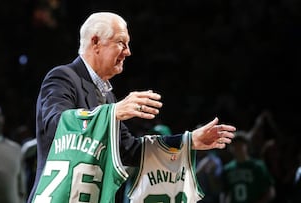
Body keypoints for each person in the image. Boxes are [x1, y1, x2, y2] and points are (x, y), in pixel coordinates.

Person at [28, 11, 236, 203]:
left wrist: (188, 141)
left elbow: (130, 150)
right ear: (95, 42)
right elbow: (55, 122)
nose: (128, 52)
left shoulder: (107, 96)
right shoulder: (62, 77)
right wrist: (113, 112)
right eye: (121, 42)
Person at [220, 131, 275, 203]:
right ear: (230, 148)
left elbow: (270, 191)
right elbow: (225, 192)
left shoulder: (257, 166)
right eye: (234, 144)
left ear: (246, 146)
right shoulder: (227, 169)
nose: (237, 147)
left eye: (240, 144)